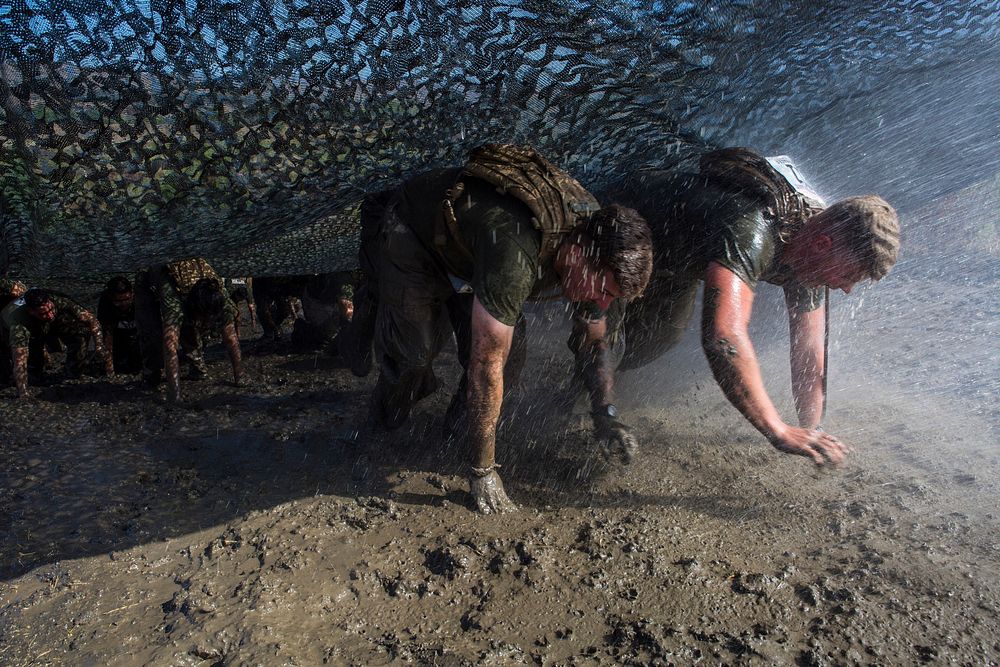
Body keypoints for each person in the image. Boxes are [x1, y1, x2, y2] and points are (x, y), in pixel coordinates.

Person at [343, 144, 654, 513]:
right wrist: (483, 471)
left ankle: (456, 433)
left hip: (475, 255)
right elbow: (485, 363)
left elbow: (595, 341)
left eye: (611, 297)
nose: (601, 302)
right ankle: (380, 425)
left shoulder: (599, 258)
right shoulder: (517, 249)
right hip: (417, 234)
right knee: (413, 356)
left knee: (514, 358)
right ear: (580, 252)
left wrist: (606, 412)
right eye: (602, 291)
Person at [598, 147, 900, 466]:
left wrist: (813, 432)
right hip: (619, 230)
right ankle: (572, 397)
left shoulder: (813, 254)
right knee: (606, 339)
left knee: (659, 338)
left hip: (676, 263)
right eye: (850, 274)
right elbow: (724, 337)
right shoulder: (751, 228)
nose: (848, 288)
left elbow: (809, 352)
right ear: (824, 244)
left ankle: (584, 380)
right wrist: (778, 430)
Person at [134, 258, 242, 402]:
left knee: (190, 331)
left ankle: (197, 368)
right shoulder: (173, 298)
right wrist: (175, 395)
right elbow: (170, 344)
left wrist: (239, 378)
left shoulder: (220, 297)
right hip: (149, 281)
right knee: (152, 332)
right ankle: (151, 374)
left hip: (190, 295)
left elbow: (230, 338)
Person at [1, 288, 113, 398]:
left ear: (50, 301)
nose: (50, 315)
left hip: (46, 323)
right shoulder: (19, 326)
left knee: (80, 332)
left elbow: (91, 320)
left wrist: (99, 346)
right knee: (31, 371)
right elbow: (20, 363)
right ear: (31, 311)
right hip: (12, 328)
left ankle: (72, 372)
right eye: (43, 313)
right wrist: (24, 394)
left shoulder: (57, 300)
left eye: (50, 309)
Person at [97, 275, 142, 374]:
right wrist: (109, 368)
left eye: (127, 300)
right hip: (118, 332)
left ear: (132, 294)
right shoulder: (105, 303)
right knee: (119, 366)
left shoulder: (142, 298)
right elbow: (107, 335)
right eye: (119, 301)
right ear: (111, 297)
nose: (124, 304)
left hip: (139, 328)